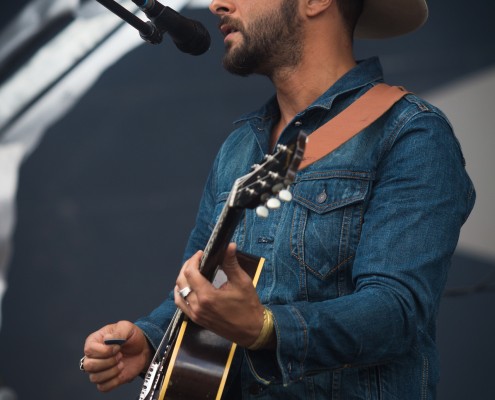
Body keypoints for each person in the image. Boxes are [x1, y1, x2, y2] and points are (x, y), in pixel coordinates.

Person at [81, 0, 476, 398]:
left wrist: (265, 327)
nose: (217, 4)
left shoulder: (411, 134)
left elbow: (396, 312)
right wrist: (149, 339)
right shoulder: (240, 146)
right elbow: (199, 287)